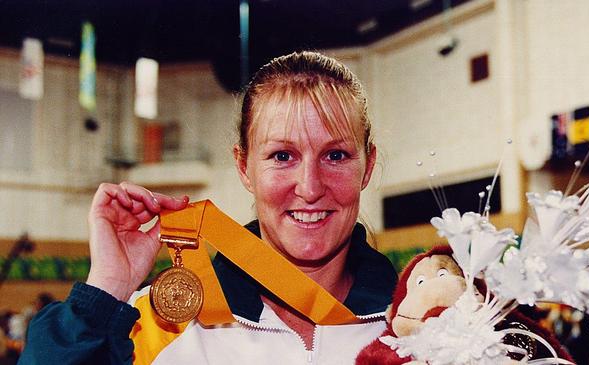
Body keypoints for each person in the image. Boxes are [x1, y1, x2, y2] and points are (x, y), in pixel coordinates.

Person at [18, 51, 398, 364]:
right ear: (243, 167)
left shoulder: (420, 322)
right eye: (282, 156)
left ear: (367, 165)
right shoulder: (158, 323)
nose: (310, 187)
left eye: (336, 155)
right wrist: (105, 292)